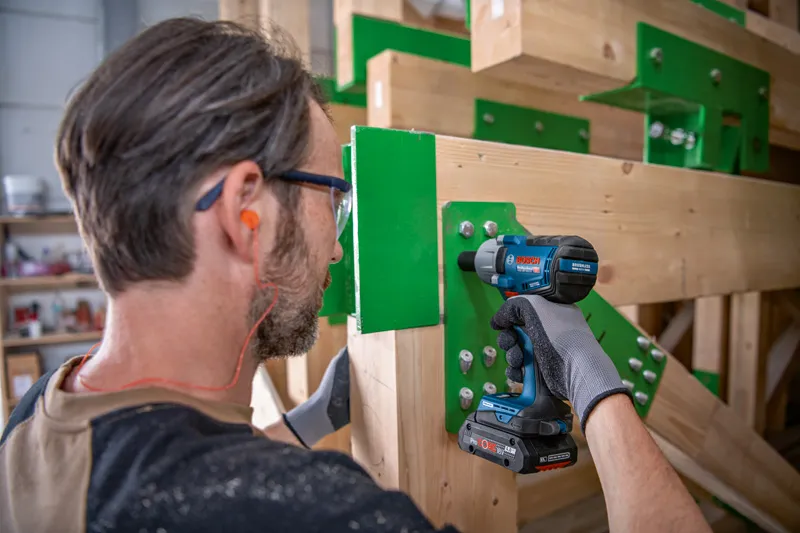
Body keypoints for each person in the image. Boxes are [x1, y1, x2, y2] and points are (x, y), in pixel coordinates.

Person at [0, 17, 711, 533]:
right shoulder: (320, 513)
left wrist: (308, 420)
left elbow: (172, 472)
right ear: (246, 210)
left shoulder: (40, 414)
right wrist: (596, 386)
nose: (340, 251)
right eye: (333, 198)